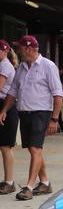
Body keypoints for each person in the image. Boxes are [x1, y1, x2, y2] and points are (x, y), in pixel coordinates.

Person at [0, 35, 63, 201]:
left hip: (41, 113)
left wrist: (54, 120)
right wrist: (4, 109)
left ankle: (28, 187)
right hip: (25, 113)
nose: (18, 50)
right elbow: (12, 92)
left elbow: (58, 95)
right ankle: (45, 182)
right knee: (32, 149)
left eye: (20, 47)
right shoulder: (21, 67)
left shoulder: (48, 66)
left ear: (28, 49)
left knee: (35, 149)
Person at [0, 40, 19, 195]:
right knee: (3, 146)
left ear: (4, 51)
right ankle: (7, 181)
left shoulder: (5, 66)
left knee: (6, 146)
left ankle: (9, 182)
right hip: (4, 106)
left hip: (5, 106)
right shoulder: (4, 64)